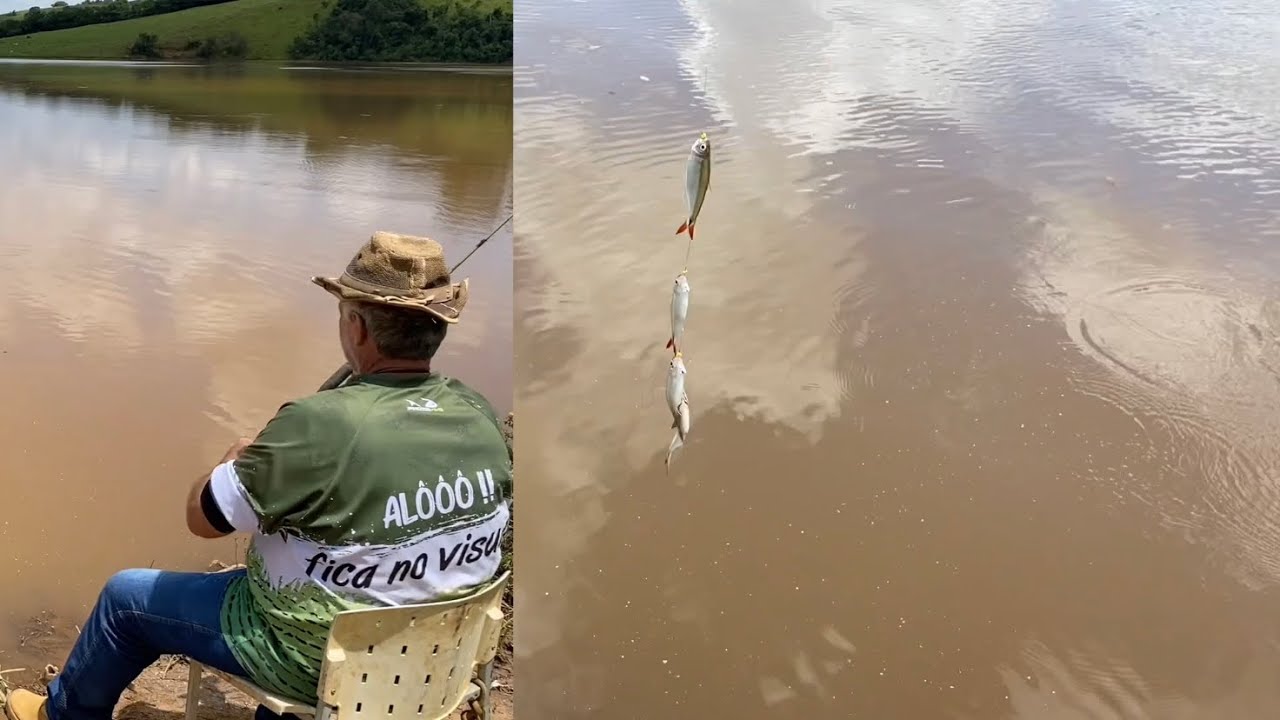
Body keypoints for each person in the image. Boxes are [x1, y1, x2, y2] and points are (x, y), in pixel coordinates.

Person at [6, 232, 513, 720]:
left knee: (125, 599)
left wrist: (234, 460)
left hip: (322, 657)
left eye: (342, 313)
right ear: (437, 329)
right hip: (439, 652)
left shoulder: (320, 423)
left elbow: (204, 520)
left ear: (357, 327)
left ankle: (63, 711)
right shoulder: (479, 412)